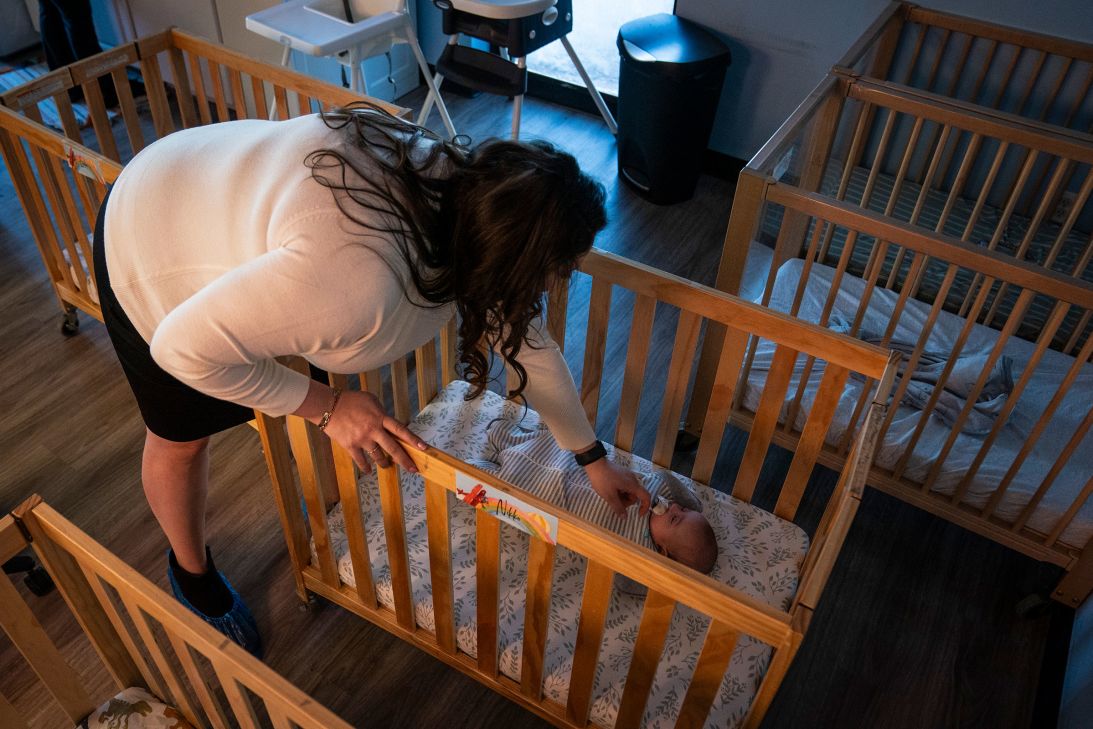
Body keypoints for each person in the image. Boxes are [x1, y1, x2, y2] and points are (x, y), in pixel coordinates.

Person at [92, 104, 651, 657]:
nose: (555, 285)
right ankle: (193, 578)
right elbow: (180, 349)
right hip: (152, 239)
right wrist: (326, 407)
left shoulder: (462, 195)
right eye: (553, 274)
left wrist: (590, 457)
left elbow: (528, 340)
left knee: (276, 348)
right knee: (182, 440)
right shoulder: (355, 285)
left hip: (215, 183)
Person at [470, 418, 718, 573]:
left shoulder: (636, 552)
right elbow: (669, 480)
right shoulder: (655, 492)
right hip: (564, 460)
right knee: (525, 434)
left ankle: (460, 469)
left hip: (535, 497)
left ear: (662, 552)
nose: (674, 508)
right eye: (683, 510)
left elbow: (635, 582)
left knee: (477, 489)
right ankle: (499, 436)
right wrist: (693, 505)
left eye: (675, 519)